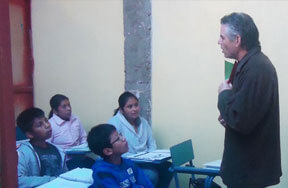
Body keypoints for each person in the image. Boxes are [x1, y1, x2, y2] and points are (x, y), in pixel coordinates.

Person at [217, 12, 282, 188]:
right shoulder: (246, 65)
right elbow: (243, 114)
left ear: (237, 40)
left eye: (222, 37)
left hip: (249, 173)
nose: (219, 42)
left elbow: (241, 120)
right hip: (246, 169)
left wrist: (223, 95)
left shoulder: (257, 69)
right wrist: (228, 116)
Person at [108, 91, 172, 188]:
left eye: (136, 105)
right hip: (127, 163)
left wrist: (151, 157)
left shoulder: (143, 122)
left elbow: (152, 144)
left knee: (169, 168)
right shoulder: (114, 123)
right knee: (151, 175)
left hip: (146, 161)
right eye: (130, 107)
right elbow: (116, 150)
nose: (134, 109)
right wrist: (139, 159)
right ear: (121, 110)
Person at [87, 124, 154, 188]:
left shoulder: (128, 163)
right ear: (108, 151)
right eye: (118, 139)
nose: (124, 138)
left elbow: (147, 184)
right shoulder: (102, 172)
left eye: (120, 135)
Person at [16, 107, 67, 188]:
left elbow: (65, 175)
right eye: (39, 125)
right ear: (29, 134)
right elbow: (18, 180)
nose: (47, 125)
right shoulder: (23, 153)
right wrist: (51, 180)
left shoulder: (58, 150)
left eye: (46, 120)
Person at [47, 94, 94, 169]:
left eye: (69, 105)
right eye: (64, 106)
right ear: (55, 111)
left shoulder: (76, 119)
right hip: (64, 162)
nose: (68, 109)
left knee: (95, 165)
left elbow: (83, 137)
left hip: (80, 157)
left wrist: (84, 147)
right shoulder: (50, 125)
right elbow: (48, 147)